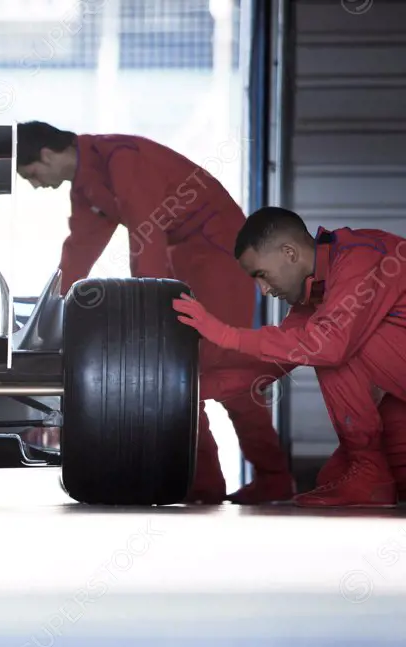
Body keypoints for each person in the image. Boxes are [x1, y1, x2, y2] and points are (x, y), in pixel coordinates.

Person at [15, 121, 293, 505]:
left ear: (47, 154)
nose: (35, 183)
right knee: (175, 372)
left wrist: (148, 303)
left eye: (32, 174)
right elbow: (80, 248)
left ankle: (270, 477)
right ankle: (205, 483)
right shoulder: (86, 184)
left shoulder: (120, 159)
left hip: (218, 254)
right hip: (182, 257)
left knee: (221, 366)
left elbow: (147, 232)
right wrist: (53, 310)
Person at [174, 206, 406, 508]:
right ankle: (369, 472)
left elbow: (328, 346)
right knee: (335, 479)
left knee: (332, 347)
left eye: (262, 275)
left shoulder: (360, 258)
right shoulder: (317, 295)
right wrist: (193, 391)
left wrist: (224, 333)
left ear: (289, 253)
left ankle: (369, 468)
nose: (264, 290)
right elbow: (274, 361)